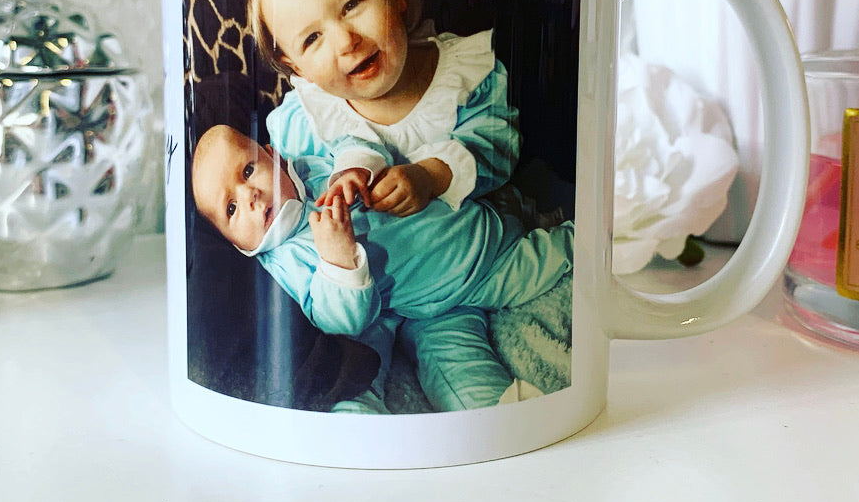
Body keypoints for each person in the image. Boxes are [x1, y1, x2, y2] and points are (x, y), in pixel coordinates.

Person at [190, 124, 573, 411]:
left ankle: (566, 226)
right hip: (433, 305)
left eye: (248, 171)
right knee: (457, 376)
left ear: (273, 155)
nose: (250, 195)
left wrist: (354, 167)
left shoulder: (312, 167)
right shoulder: (283, 262)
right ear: (234, 243)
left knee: (560, 253)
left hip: (476, 241)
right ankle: (509, 420)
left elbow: (354, 137)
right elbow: (339, 323)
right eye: (231, 208)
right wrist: (338, 261)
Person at [239, 0, 520, 216]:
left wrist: (429, 176)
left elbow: (498, 149)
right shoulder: (302, 122)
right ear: (298, 67)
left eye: (352, 5)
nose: (346, 42)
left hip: (476, 235)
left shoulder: (468, 74)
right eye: (312, 39)